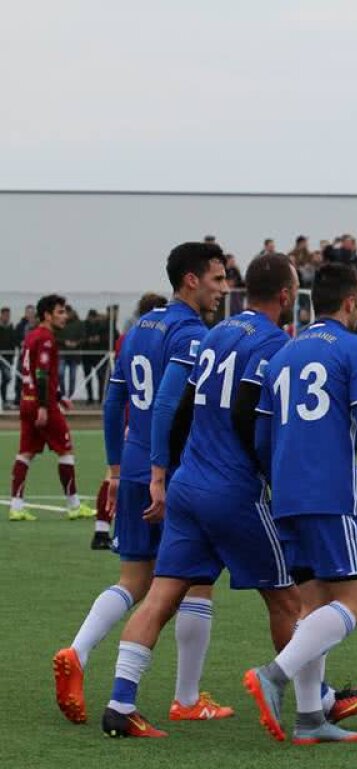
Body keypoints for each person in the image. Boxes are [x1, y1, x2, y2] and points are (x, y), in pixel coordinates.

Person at [99, 253, 303, 738]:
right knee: (288, 602)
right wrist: (271, 471)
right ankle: (313, 702)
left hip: (188, 483)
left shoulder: (215, 334)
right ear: (286, 295)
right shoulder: (274, 344)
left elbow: (180, 405)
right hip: (232, 489)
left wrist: (162, 472)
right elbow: (255, 420)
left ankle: (119, 703)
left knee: (160, 596)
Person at [52, 244, 228, 726]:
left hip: (131, 465)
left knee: (133, 580)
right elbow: (170, 405)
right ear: (190, 280)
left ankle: (79, 651)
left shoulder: (140, 328)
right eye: (216, 279)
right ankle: (187, 699)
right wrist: (161, 470)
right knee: (196, 584)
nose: (223, 288)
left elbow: (114, 404)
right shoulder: (192, 333)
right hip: (168, 472)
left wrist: (114, 467)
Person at [242, 264, 357, 745]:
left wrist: (281, 480)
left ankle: (310, 716)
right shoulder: (354, 349)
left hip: (287, 495)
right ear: (352, 303)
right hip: (332, 492)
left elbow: (260, 434)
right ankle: (273, 675)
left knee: (312, 604)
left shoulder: (284, 351)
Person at [91, 292, 168, 552]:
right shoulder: (160, 337)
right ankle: (103, 528)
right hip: (141, 417)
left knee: (117, 475)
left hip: (131, 412)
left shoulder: (130, 336)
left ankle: (104, 528)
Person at [9, 295, 96, 523]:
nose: (64, 316)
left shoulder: (31, 337)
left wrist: (60, 396)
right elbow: (41, 374)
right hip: (41, 404)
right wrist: (46, 406)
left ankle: (16, 507)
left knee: (25, 453)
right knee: (66, 451)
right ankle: (73, 505)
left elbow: (35, 372)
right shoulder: (46, 338)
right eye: (59, 312)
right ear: (47, 315)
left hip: (27, 400)